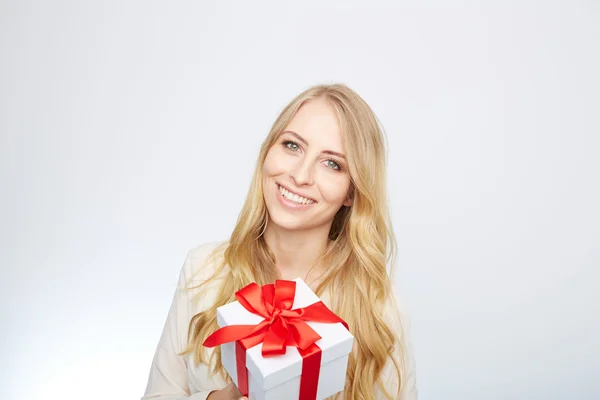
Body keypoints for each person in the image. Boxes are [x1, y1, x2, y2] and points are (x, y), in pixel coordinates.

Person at [141, 84, 418, 400]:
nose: (300, 175)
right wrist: (226, 397)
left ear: (352, 192)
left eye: (332, 163)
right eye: (292, 146)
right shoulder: (203, 269)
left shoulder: (379, 306)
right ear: (267, 152)